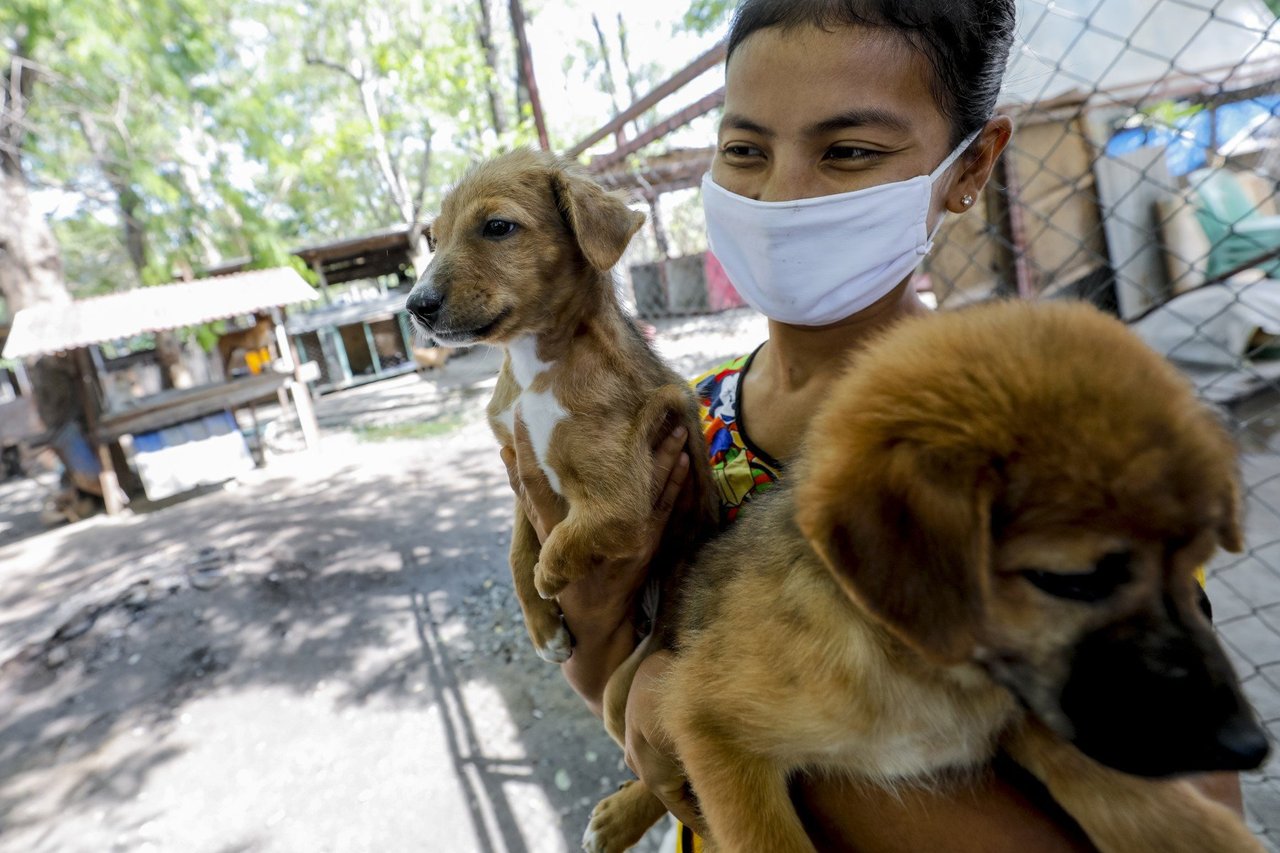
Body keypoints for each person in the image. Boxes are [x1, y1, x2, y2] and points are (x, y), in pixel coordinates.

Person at [502, 1, 1244, 850]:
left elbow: (1198, 827)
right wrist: (601, 620)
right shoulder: (682, 424)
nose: (781, 194)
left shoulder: (1043, 452)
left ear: (971, 168)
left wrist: (722, 714)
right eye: (744, 149)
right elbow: (622, 704)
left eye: (849, 151)